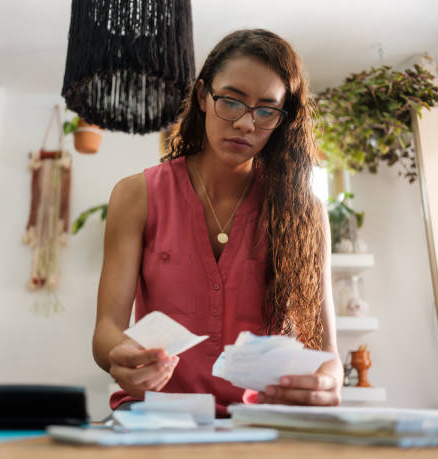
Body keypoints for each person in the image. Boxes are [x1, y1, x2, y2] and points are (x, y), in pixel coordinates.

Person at [92, 29, 343, 417]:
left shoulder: (304, 213)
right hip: (153, 415)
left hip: (258, 421)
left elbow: (327, 357)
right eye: (232, 101)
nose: (246, 123)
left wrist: (326, 383)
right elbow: (106, 331)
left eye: (266, 110)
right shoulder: (136, 195)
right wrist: (119, 354)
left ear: (282, 119)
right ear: (202, 96)